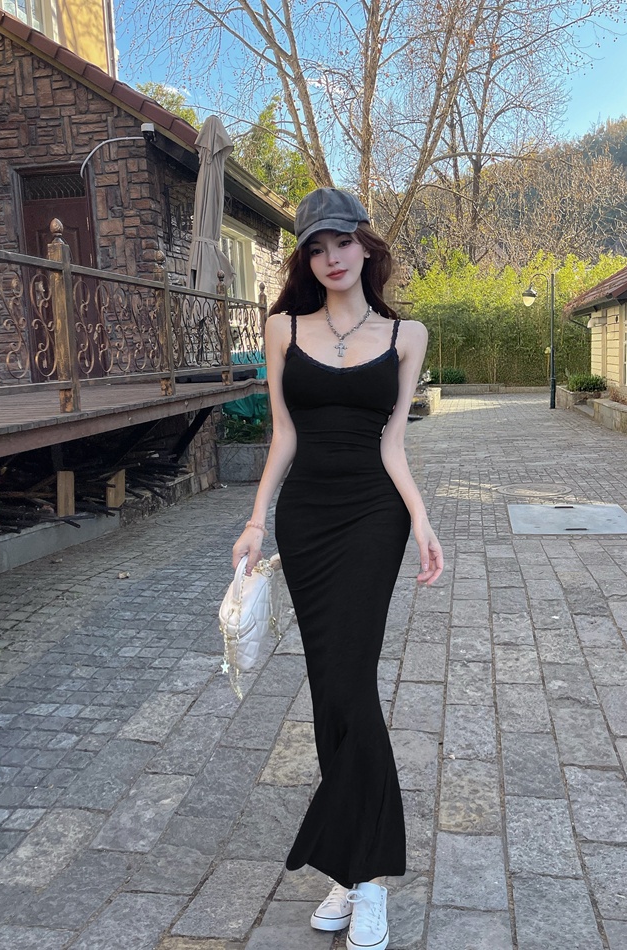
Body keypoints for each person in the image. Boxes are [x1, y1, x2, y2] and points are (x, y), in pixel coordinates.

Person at [232, 187, 443, 950]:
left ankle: (371, 878)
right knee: (329, 689)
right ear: (306, 259)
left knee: (351, 683)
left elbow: (394, 444)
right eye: (316, 249)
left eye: (342, 242)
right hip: (308, 519)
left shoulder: (407, 335)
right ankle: (351, 871)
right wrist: (256, 519)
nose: (332, 258)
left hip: (374, 518)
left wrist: (422, 520)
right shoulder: (283, 328)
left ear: (364, 245)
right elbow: (283, 436)